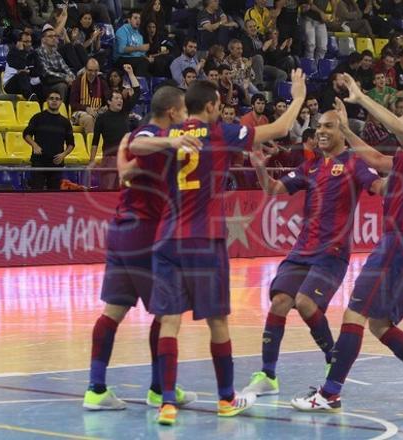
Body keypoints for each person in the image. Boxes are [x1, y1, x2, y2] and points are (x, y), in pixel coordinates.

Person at [146, 70, 309, 425]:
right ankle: (224, 400)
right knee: (217, 322)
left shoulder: (168, 134)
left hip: (168, 238)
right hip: (205, 238)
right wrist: (297, 96)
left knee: (169, 322)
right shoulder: (221, 132)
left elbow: (135, 149)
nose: (224, 110)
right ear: (210, 106)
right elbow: (280, 129)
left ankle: (167, 403)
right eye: (220, 105)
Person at [291, 74, 403, 412]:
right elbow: (378, 162)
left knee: (354, 314)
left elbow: (397, 128)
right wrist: (348, 132)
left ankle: (329, 393)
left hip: (397, 244)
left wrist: (361, 97)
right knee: (380, 324)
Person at [242, 109, 382, 398]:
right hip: (301, 251)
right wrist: (259, 167)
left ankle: (334, 359)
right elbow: (273, 189)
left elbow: (378, 186)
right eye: (319, 126)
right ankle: (268, 374)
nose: (321, 131)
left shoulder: (354, 164)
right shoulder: (310, 167)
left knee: (305, 302)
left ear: (343, 132)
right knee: (280, 302)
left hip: (332, 253)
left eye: (329, 126)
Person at [83, 87, 199, 410]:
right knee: (167, 312)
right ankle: (161, 390)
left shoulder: (153, 139)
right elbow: (138, 144)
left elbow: (128, 165)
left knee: (114, 311)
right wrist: (170, 142)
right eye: (185, 112)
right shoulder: (154, 133)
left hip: (123, 231)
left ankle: (96, 389)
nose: (188, 119)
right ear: (174, 112)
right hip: (144, 231)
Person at [23, 90, 74, 190]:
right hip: (39, 162)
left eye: (57, 99)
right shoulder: (38, 117)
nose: (54, 101)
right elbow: (26, 134)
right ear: (47, 101)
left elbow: (71, 144)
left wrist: (63, 155)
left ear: (61, 102)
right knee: (36, 193)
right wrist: (34, 145)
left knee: (54, 196)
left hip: (56, 164)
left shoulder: (65, 122)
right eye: (51, 98)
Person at [90, 91, 131, 189]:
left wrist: (131, 75)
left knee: (123, 191)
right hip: (109, 158)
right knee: (108, 190)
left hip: (125, 159)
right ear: (109, 101)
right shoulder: (101, 118)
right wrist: (91, 161)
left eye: (121, 98)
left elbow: (137, 92)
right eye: (116, 98)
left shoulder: (124, 114)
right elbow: (95, 141)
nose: (120, 100)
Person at [70, 58, 110, 136]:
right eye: (90, 70)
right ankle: (92, 145)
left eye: (95, 70)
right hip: (80, 112)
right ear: (85, 69)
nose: (93, 73)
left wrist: (106, 107)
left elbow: (108, 100)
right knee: (89, 119)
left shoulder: (102, 83)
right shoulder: (77, 82)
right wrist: (87, 109)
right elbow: (73, 103)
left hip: (97, 111)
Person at [36, 26, 75, 101]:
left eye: (55, 36)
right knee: (62, 86)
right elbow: (46, 71)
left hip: (58, 79)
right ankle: (60, 109)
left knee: (75, 85)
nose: (54, 38)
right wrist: (65, 77)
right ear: (43, 39)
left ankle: (72, 109)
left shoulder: (56, 54)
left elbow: (66, 68)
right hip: (45, 83)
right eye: (50, 36)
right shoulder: (38, 53)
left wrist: (72, 78)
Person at [3, 31, 41, 100]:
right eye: (26, 42)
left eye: (30, 41)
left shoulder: (33, 54)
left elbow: (38, 70)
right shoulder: (12, 53)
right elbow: (22, 65)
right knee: (22, 74)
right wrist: (21, 51)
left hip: (27, 83)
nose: (29, 44)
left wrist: (29, 72)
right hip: (10, 85)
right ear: (18, 42)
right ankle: (30, 97)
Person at [115, 11, 150, 77]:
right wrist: (139, 48)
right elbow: (122, 50)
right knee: (143, 62)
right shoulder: (122, 31)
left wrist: (148, 57)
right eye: (135, 18)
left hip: (135, 59)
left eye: (139, 18)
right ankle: (137, 85)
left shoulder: (139, 35)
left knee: (152, 65)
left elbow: (141, 54)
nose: (138, 20)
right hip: (121, 59)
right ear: (129, 20)